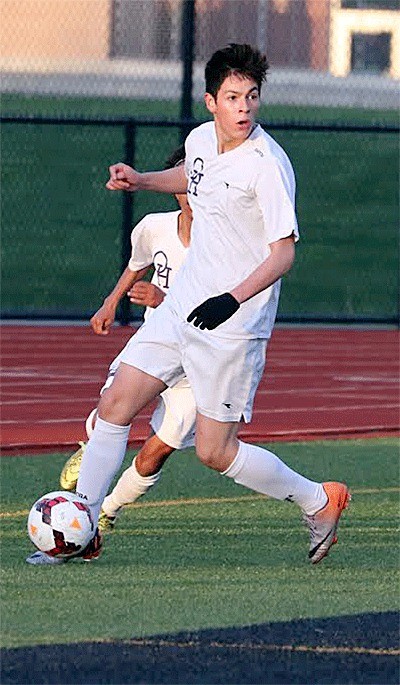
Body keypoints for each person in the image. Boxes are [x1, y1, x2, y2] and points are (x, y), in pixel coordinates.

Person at [75, 43, 349, 566]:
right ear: (210, 102)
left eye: (251, 97)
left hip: (233, 324)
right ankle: (82, 526)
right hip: (181, 306)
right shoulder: (200, 139)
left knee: (214, 451)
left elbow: (284, 254)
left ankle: (319, 499)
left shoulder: (267, 166)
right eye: (233, 97)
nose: (244, 108)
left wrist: (232, 298)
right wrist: (144, 180)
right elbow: (192, 179)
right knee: (114, 405)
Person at [26, 146, 197, 565]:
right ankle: (85, 528)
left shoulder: (227, 239)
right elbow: (136, 265)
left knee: (161, 450)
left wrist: (165, 296)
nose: (188, 186)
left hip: (204, 357)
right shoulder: (154, 228)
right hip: (158, 340)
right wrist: (111, 302)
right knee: (111, 409)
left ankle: (106, 511)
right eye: (181, 176)